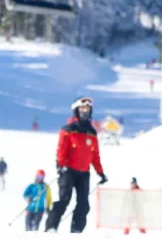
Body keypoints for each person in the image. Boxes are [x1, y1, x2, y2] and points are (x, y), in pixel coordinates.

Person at [44, 97, 108, 233]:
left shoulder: (91, 132)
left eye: (87, 109)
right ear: (76, 111)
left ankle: (76, 230)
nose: (85, 112)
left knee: (83, 204)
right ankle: (51, 228)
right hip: (68, 170)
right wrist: (60, 166)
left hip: (84, 172)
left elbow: (95, 156)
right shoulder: (69, 129)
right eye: (82, 109)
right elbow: (61, 149)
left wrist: (100, 173)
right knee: (64, 200)